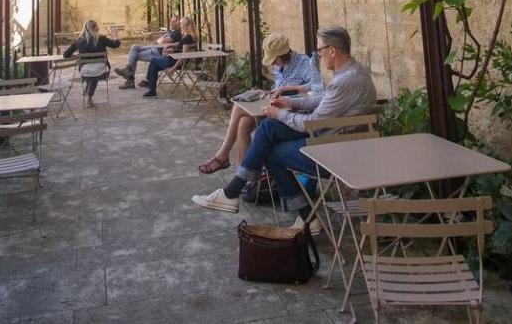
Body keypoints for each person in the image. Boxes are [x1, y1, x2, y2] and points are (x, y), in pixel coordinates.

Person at [192, 26, 377, 232]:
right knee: (269, 129)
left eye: (320, 50)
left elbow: (311, 123)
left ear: (332, 50)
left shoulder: (345, 81)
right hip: (340, 141)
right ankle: (236, 192)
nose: (319, 56)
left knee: (269, 147)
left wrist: (279, 114)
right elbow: (322, 100)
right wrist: (290, 103)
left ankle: (301, 215)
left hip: (336, 153)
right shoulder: (353, 72)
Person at [197, 33, 322, 175]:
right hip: (275, 105)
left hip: (292, 111)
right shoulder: (279, 66)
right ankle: (243, 177)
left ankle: (223, 156)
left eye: (274, 59)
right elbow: (277, 89)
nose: (273, 64)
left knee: (238, 107)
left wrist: (286, 89)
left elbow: (316, 88)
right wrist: (265, 92)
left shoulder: (304, 63)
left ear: (283, 54)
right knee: (243, 122)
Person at [63, 19, 121, 108]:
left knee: (91, 71)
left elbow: (66, 55)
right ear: (93, 28)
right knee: (96, 72)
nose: (98, 28)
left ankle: (87, 92)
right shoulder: (102, 38)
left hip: (84, 73)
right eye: (97, 26)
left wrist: (78, 57)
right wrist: (115, 35)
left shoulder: (78, 41)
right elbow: (115, 45)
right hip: (103, 72)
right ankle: (89, 97)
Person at [114, 14, 182, 89]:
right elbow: (160, 40)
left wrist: (161, 39)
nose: (171, 23)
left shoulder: (177, 33)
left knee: (134, 55)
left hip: (157, 53)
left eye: (174, 21)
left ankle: (129, 80)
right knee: (134, 47)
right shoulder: (171, 31)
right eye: (171, 21)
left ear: (178, 23)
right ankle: (128, 69)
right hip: (154, 48)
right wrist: (161, 39)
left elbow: (162, 41)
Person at [141, 16, 198, 98]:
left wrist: (173, 68)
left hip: (175, 62)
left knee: (153, 59)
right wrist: (171, 50)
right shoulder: (190, 37)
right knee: (154, 65)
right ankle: (152, 90)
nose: (180, 25)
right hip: (173, 59)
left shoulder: (187, 38)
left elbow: (183, 55)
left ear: (185, 26)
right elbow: (181, 50)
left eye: (181, 24)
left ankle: (154, 86)